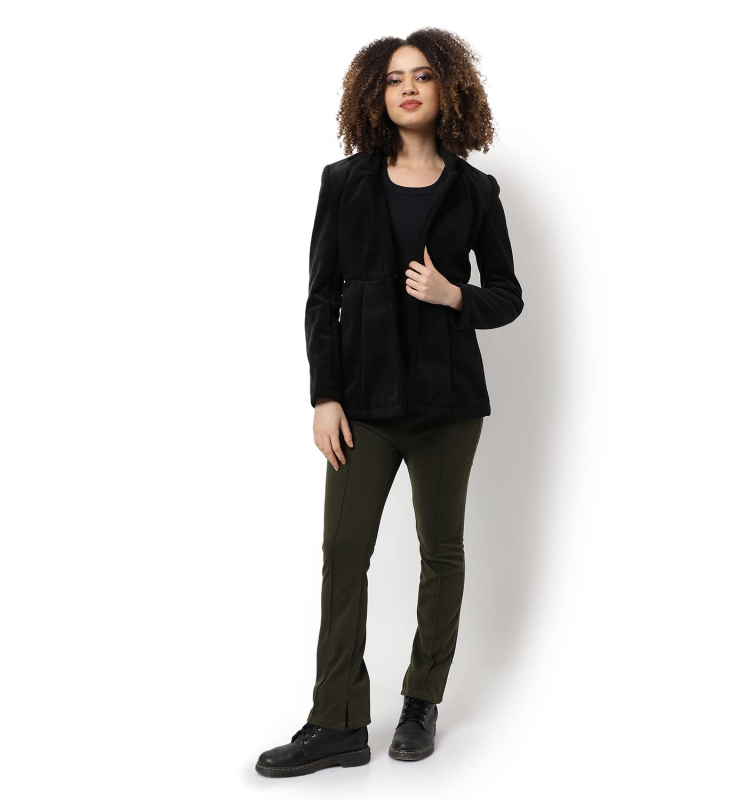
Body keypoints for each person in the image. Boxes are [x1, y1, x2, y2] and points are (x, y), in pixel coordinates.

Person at [256, 27, 524, 778]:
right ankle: (337, 721)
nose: (408, 87)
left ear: (448, 89)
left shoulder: (475, 191)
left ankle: (420, 703)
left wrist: (454, 295)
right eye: (394, 78)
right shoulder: (343, 183)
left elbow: (508, 296)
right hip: (362, 407)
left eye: (423, 75)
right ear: (375, 94)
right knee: (344, 554)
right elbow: (321, 300)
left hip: (448, 406)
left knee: (442, 554)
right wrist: (325, 396)